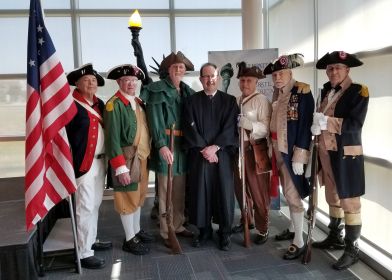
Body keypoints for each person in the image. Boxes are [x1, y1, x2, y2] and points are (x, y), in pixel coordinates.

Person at [311, 51, 369, 270]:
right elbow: (319, 117)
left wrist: (327, 122)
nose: (333, 72)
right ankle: (335, 237)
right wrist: (316, 126)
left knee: (350, 202)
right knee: (332, 195)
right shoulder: (325, 90)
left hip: (346, 154)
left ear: (347, 70)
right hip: (326, 152)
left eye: (338, 68)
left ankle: (352, 249)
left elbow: (355, 124)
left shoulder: (359, 92)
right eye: (330, 69)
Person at [140, 51, 195, 248]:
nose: (178, 70)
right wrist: (161, 145)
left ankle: (178, 225)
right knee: (165, 191)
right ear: (168, 70)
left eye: (181, 68)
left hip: (182, 147)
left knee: (179, 190)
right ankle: (166, 229)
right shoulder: (157, 90)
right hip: (166, 144)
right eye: (175, 67)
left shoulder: (187, 91)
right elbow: (154, 119)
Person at [183, 62, 239, 251]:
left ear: (219, 78)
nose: (209, 79)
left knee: (223, 192)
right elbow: (189, 128)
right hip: (200, 156)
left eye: (212, 76)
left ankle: (224, 233)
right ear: (200, 79)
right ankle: (204, 230)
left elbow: (231, 128)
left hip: (221, 155)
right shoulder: (191, 101)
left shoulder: (230, 101)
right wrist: (205, 150)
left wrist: (215, 148)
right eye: (205, 76)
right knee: (200, 193)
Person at [263, 54, 314, 260]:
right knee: (286, 189)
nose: (277, 77)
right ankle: (294, 229)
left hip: (291, 152)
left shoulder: (302, 91)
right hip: (276, 150)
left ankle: (299, 242)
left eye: (281, 73)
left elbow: (304, 127)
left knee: (293, 195)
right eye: (275, 74)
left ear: (290, 73)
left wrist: (300, 156)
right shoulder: (277, 94)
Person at [66, 63, 112, 269]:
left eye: (94, 80)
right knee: (84, 206)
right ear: (76, 83)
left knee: (94, 204)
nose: (91, 83)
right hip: (83, 163)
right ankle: (83, 253)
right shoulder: (69, 105)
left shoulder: (99, 104)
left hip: (100, 161)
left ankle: (90, 240)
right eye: (87, 80)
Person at [104, 64, 154, 255]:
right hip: (125, 160)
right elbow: (112, 138)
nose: (131, 84)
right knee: (126, 198)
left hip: (141, 157)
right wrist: (119, 167)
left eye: (134, 80)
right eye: (127, 81)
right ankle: (129, 239)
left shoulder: (138, 102)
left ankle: (136, 231)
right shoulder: (114, 105)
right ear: (119, 82)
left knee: (139, 197)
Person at [232, 62, 272, 245]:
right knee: (241, 190)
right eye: (242, 80)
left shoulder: (261, 100)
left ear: (256, 82)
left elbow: (266, 127)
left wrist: (251, 126)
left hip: (254, 151)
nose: (245, 84)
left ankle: (263, 228)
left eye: (248, 80)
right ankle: (246, 220)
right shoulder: (236, 100)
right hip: (238, 151)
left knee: (258, 192)